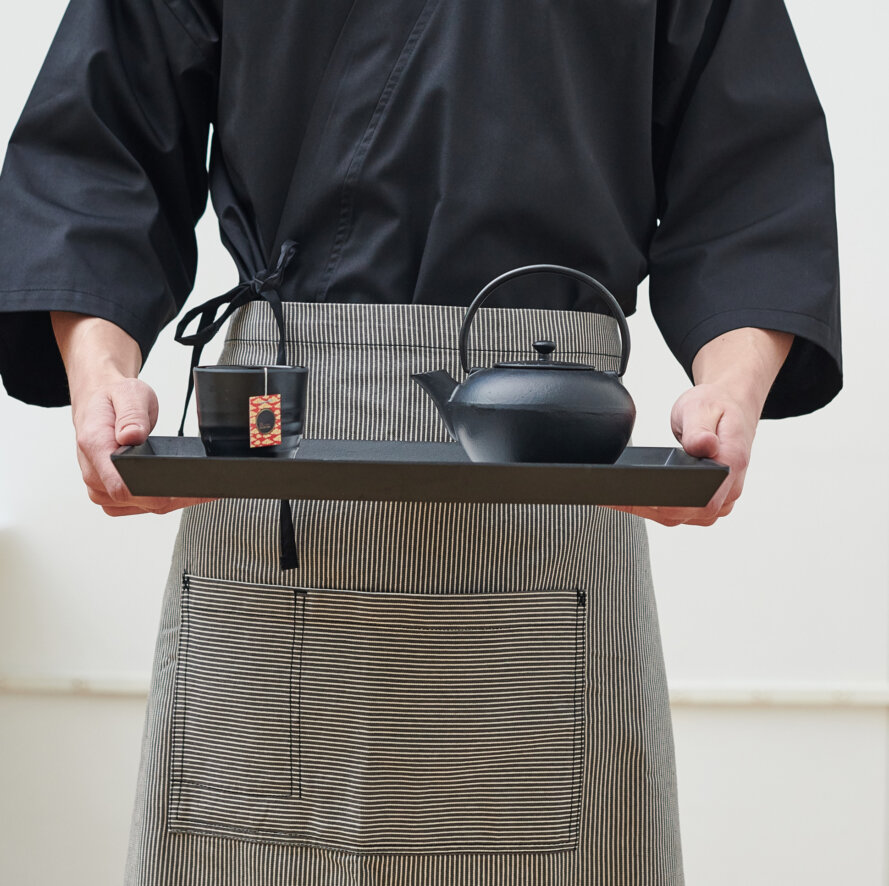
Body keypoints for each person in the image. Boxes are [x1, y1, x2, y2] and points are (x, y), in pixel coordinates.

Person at [0, 0, 841, 884]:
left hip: (548, 460)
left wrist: (728, 390)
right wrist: (99, 373)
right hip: (273, 434)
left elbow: (749, 169)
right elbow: (101, 142)